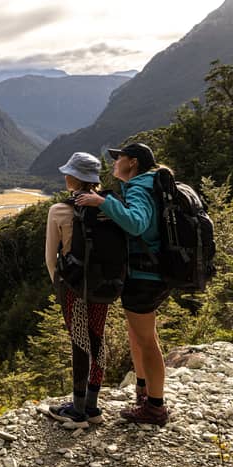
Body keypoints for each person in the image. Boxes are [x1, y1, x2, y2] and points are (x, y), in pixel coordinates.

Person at [75, 142, 170, 426]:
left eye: (119, 158)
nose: (114, 163)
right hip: (149, 274)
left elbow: (137, 223)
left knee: (147, 341)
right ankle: (143, 391)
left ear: (133, 162)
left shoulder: (140, 187)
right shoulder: (148, 185)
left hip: (145, 276)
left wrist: (103, 202)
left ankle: (155, 407)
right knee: (138, 335)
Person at [45, 152, 110, 429]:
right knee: (97, 337)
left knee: (79, 342)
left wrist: (59, 285)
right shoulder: (109, 206)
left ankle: (78, 409)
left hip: (74, 286)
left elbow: (50, 257)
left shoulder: (59, 210)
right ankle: (93, 405)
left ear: (76, 178)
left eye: (68, 172)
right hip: (104, 285)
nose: (65, 176)